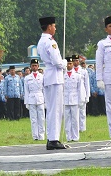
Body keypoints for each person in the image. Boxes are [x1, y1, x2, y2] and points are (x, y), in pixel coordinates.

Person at [37, 16, 67, 150]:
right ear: (49, 27)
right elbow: (58, 62)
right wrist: (65, 63)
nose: (55, 28)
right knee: (56, 109)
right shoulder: (50, 42)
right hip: (55, 76)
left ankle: (51, 137)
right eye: (54, 26)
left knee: (51, 109)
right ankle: (54, 139)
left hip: (49, 76)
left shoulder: (41, 41)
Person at [96, 16, 111, 141]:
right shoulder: (102, 44)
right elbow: (99, 62)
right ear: (106, 29)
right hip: (109, 78)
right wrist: (99, 79)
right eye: (110, 26)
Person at [24, 59, 46, 140]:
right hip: (31, 98)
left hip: (40, 97)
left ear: (38, 66)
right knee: (33, 119)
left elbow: (44, 89)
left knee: (41, 118)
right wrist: (26, 102)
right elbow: (26, 91)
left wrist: (45, 101)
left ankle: (41, 135)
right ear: (30, 67)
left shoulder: (42, 76)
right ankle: (35, 136)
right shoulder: (27, 78)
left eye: (36, 65)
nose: (34, 67)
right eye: (33, 65)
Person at [63, 57, 83, 142]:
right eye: (68, 63)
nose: (69, 65)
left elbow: (80, 89)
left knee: (75, 119)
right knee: (67, 119)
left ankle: (75, 136)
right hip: (65, 99)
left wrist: (81, 100)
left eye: (70, 63)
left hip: (74, 99)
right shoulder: (62, 75)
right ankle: (68, 136)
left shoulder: (77, 76)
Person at [72, 54, 90, 133]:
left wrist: (87, 95)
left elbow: (87, 84)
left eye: (77, 60)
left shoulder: (83, 71)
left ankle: (82, 129)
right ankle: (75, 128)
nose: (75, 62)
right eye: (74, 61)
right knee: (74, 113)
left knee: (82, 112)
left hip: (82, 93)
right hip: (73, 93)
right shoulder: (69, 71)